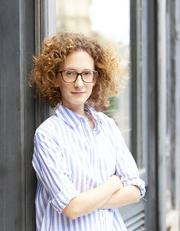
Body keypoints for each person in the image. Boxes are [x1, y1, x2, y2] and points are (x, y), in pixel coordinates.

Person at [29, 32, 145, 230]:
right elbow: (72, 208)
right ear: (55, 78)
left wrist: (86, 202)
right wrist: (114, 183)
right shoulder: (47, 135)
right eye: (70, 73)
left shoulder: (107, 126)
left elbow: (135, 190)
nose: (79, 83)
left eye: (87, 73)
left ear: (96, 78)